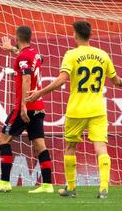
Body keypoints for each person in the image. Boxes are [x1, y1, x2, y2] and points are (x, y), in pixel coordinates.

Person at [26, 21, 122, 198]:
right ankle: (103, 187)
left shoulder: (71, 55)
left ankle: (71, 188)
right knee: (101, 147)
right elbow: (116, 81)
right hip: (98, 109)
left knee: (70, 147)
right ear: (90, 35)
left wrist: (40, 92)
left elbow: (61, 80)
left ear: (75, 35)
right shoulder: (103, 54)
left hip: (76, 110)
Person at [0, 26, 54, 194]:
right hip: (38, 106)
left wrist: (23, 105)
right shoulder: (35, 54)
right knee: (39, 144)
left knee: (3, 139)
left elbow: (26, 78)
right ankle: (47, 185)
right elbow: (33, 61)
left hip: (25, 106)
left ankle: (4, 182)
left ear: (17, 37)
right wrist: (12, 50)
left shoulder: (23, 57)